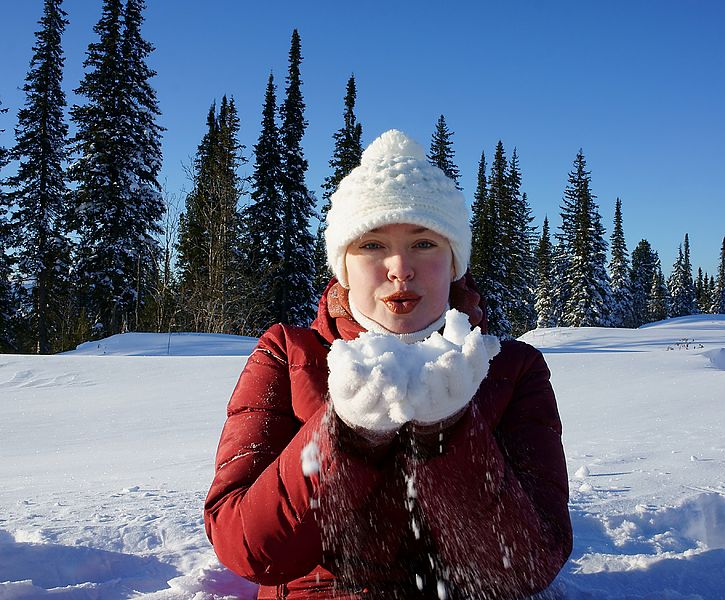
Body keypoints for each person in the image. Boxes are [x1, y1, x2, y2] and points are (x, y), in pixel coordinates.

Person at [204, 129, 572, 599]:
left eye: (424, 243)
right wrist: (345, 433)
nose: (400, 267)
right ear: (344, 266)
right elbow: (250, 550)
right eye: (373, 245)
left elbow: (526, 567)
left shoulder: (511, 369)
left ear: (453, 261)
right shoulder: (287, 354)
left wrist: (449, 430)